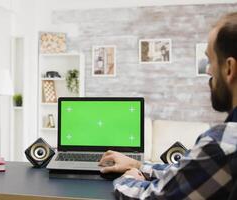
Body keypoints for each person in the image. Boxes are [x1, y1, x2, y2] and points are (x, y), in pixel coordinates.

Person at [99, 12, 237, 199]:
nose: (208, 70)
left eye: (211, 60)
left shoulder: (223, 144)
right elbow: (188, 175)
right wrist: (138, 165)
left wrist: (128, 177)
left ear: (230, 68)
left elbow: (153, 196)